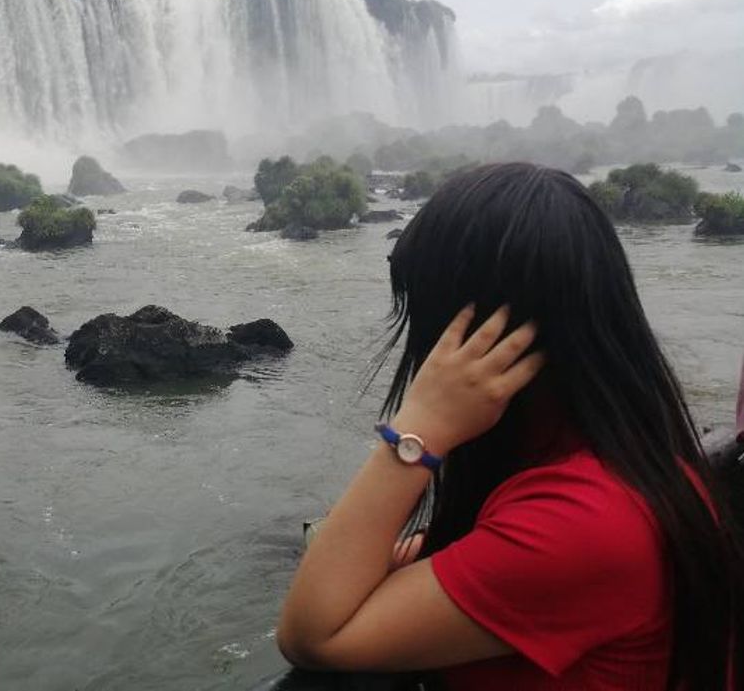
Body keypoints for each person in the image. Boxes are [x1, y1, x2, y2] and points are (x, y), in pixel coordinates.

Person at [276, 163, 741, 690]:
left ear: (478, 337)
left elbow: (314, 634)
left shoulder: (585, 522)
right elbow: (402, 560)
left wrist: (417, 433)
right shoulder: (617, 459)